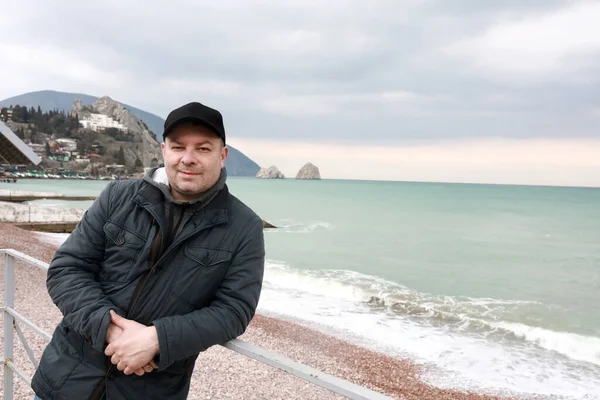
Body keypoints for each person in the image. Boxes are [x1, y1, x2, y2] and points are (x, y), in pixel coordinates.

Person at [31, 102, 266, 399]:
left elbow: (234, 310)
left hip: (150, 389)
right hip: (65, 380)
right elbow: (68, 268)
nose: (188, 159)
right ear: (164, 150)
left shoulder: (243, 227)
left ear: (222, 155)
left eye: (203, 149)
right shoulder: (118, 197)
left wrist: (157, 339)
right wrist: (110, 329)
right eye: (178, 147)